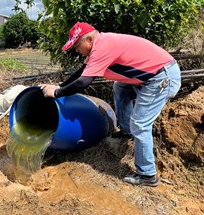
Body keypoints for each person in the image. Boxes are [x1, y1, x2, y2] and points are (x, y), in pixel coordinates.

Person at [41, 22, 181, 187]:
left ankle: (147, 175)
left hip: (161, 78)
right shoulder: (100, 44)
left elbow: (84, 82)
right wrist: (61, 86)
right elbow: (82, 72)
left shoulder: (103, 47)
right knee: (120, 87)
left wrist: (57, 93)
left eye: (78, 46)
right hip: (149, 75)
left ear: (90, 39)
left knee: (140, 123)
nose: (77, 51)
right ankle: (126, 131)